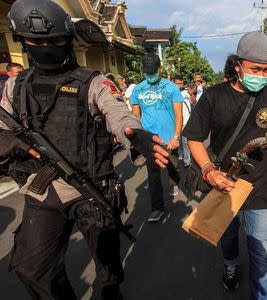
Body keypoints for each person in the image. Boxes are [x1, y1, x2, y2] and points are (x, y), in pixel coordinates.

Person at [0, 1, 169, 299]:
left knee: (107, 271)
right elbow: (2, 130)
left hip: (92, 187)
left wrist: (134, 132)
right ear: (22, 42)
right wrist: (11, 143)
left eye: (55, 40)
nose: (47, 47)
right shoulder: (15, 86)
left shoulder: (93, 82)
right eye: (37, 42)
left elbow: (118, 114)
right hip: (42, 191)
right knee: (31, 267)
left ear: (68, 39)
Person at [183, 31, 267, 300]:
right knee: (227, 237)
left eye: (266, 70)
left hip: (261, 187)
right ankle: (230, 265)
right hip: (224, 183)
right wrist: (209, 171)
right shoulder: (214, 96)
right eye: (255, 69)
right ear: (238, 65)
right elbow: (193, 138)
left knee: (261, 252)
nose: (261, 76)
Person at [131, 52, 183, 222]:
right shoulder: (138, 89)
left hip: (169, 139)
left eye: (153, 73)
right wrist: (137, 140)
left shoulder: (172, 88)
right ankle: (157, 209)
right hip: (150, 141)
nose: (150, 76)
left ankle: (174, 181)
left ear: (160, 69)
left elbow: (178, 114)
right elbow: (135, 117)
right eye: (147, 73)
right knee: (153, 176)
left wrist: (176, 136)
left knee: (172, 168)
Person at [173, 75, 192, 167]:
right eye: (177, 83)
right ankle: (180, 154)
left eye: (181, 83)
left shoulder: (186, 93)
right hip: (176, 122)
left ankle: (187, 161)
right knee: (178, 140)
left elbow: (194, 102)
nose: (179, 85)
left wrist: (191, 94)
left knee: (185, 142)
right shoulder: (171, 94)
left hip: (186, 122)